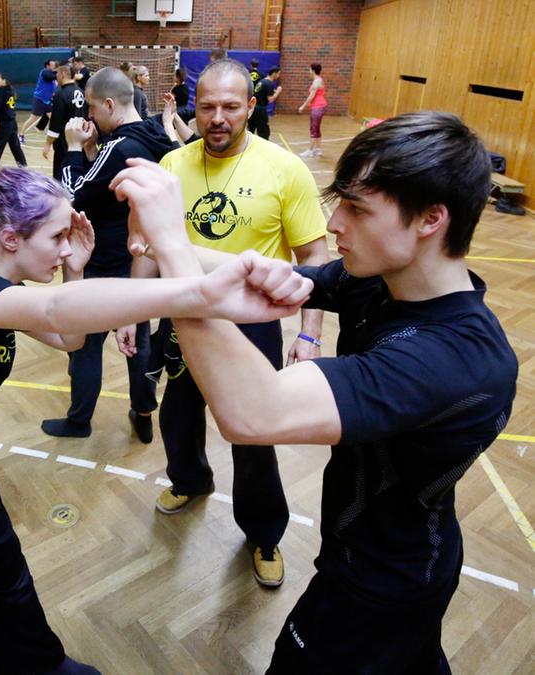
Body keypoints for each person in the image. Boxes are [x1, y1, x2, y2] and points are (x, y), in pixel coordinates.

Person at [0, 163, 311, 675]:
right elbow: (55, 312)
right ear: (11, 238)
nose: (64, 247)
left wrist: (76, 268)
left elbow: (68, 338)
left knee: (2, 586)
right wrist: (200, 293)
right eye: (56, 237)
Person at [112, 110, 518, 674]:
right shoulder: (381, 283)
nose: (334, 223)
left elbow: (253, 414)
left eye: (357, 208)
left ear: (431, 218)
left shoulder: (455, 359)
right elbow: (275, 279)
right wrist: (163, 244)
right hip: (383, 556)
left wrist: (172, 250)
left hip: (379, 583)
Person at [133, 59, 329, 588]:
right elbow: (149, 244)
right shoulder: (171, 164)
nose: (217, 118)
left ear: (250, 107)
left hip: (252, 323)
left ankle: (263, 532)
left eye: (230, 106)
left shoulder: (284, 169)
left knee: (254, 431)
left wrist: (309, 333)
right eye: (207, 107)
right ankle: (190, 479)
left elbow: (314, 255)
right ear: (193, 108)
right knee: (178, 414)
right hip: (183, 314)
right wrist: (135, 312)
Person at [42, 67, 177, 441]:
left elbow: (71, 196)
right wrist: (90, 150)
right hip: (140, 260)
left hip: (104, 260)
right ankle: (143, 412)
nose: (89, 115)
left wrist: (72, 148)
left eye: (92, 108)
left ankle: (79, 420)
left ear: (109, 104)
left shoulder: (121, 147)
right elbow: (103, 188)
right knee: (139, 342)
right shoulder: (152, 135)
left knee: (85, 343)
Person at [43, 63, 86, 179]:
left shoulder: (60, 94)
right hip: (81, 140)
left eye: (57, 73)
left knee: (60, 174)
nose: (56, 76)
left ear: (63, 74)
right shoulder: (81, 92)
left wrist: (48, 144)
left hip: (65, 141)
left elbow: (55, 123)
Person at [19, 60, 58, 142]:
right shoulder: (44, 73)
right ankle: (21, 135)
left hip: (48, 101)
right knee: (32, 119)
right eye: (53, 65)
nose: (54, 66)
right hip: (39, 100)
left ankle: (56, 136)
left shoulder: (53, 77)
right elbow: (51, 76)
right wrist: (60, 71)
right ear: (47, 66)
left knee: (54, 118)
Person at [298, 63, 327, 158]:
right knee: (316, 128)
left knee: (313, 128)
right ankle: (318, 150)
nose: (309, 71)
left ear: (313, 70)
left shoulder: (316, 82)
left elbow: (311, 96)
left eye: (309, 69)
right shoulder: (318, 80)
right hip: (319, 106)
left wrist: (303, 106)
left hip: (318, 107)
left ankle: (310, 151)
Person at [248, 66, 282, 140]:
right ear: (274, 73)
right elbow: (270, 99)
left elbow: (262, 92)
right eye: (278, 74)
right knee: (264, 132)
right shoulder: (269, 84)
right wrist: (278, 92)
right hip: (260, 110)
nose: (279, 76)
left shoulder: (262, 81)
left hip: (254, 109)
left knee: (251, 129)